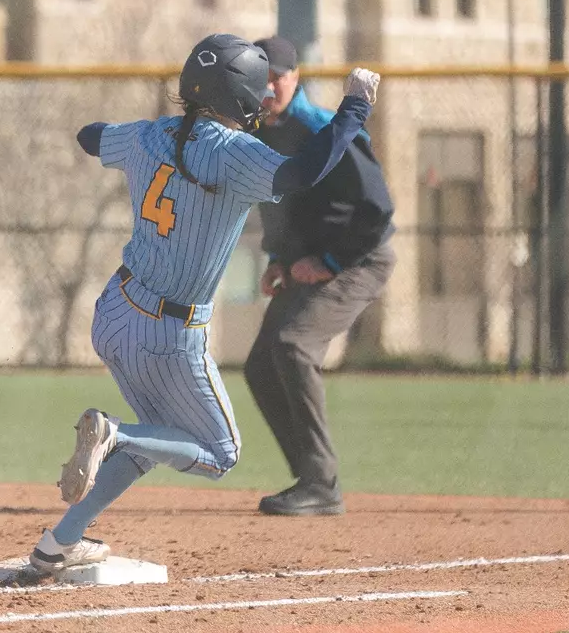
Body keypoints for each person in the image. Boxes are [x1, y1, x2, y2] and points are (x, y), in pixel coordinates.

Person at [29, 34, 380, 576]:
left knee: (160, 436)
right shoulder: (232, 153)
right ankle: (112, 433)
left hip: (116, 310)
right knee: (218, 452)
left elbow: (89, 137)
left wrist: (125, 137)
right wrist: (355, 105)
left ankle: (60, 541)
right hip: (169, 334)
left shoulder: (148, 135)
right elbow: (303, 172)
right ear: (240, 95)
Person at [243, 36, 397, 517]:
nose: (269, 86)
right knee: (262, 366)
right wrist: (276, 258)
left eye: (278, 76)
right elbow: (279, 206)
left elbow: (378, 211)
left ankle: (320, 482)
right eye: (260, 77)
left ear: (295, 77)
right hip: (308, 260)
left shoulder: (320, 128)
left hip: (359, 258)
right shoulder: (262, 131)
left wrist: (329, 262)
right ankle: (310, 478)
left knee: (292, 345)